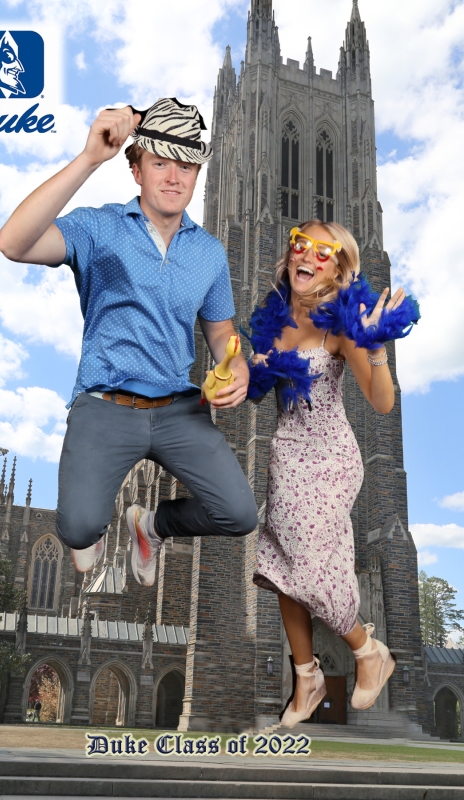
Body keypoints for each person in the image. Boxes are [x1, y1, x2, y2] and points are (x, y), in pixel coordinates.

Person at [0, 97, 258, 585]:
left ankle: (151, 525)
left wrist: (238, 368)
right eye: (160, 163)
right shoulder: (98, 227)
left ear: (197, 176)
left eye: (186, 166)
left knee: (240, 514)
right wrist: (89, 158)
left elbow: (222, 332)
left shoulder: (210, 253)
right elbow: (13, 243)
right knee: (78, 527)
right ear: (136, 170)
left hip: (179, 411)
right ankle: (92, 527)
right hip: (105, 406)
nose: (174, 177)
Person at [246, 220, 419, 727]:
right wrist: (239, 372)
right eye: (300, 243)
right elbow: (254, 388)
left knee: (304, 562)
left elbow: (381, 402)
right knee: (281, 566)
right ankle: (307, 676)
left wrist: (377, 347)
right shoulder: (273, 318)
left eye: (323, 252)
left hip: (331, 457)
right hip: (286, 453)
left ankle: (367, 651)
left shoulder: (341, 326)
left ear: (339, 269)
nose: (307, 255)